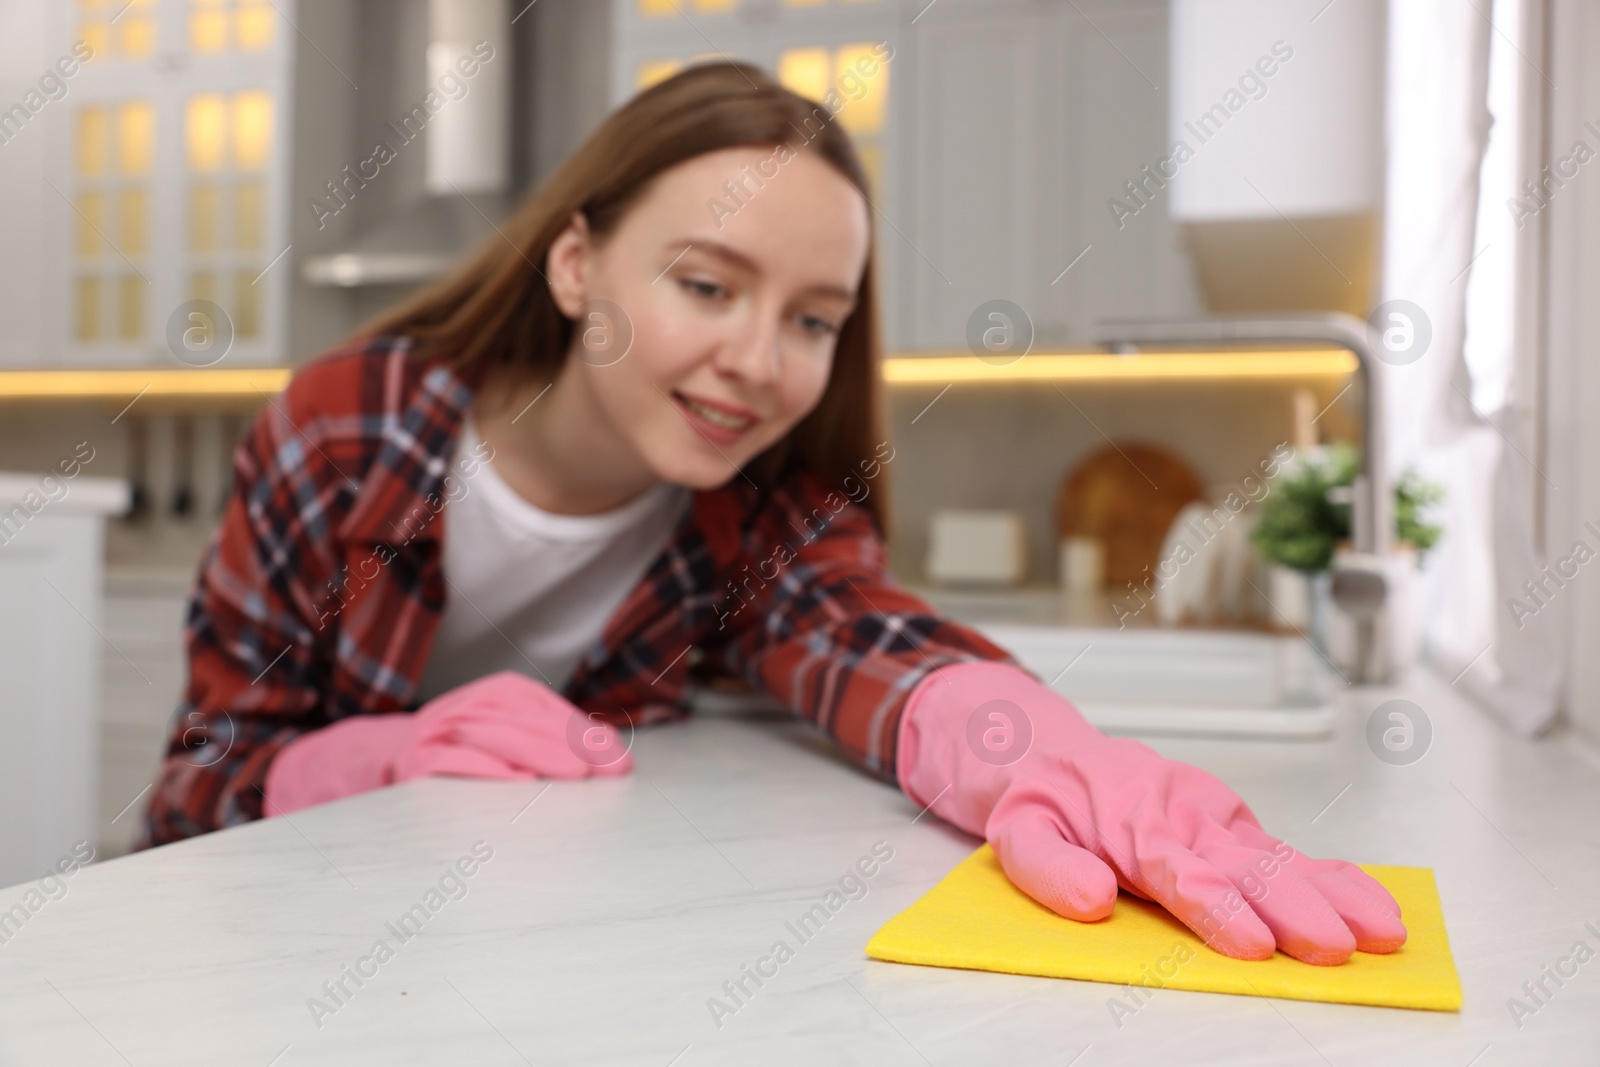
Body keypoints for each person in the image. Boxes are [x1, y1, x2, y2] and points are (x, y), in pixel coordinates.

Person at [137, 61, 1405, 967]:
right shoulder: (344, 431)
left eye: (812, 318)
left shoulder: (755, 520)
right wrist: (382, 757)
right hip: (302, 956)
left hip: (536, 961)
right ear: (577, 265)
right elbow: (194, 792)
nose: (758, 358)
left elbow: (862, 636)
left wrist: (1044, 750)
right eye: (705, 283)